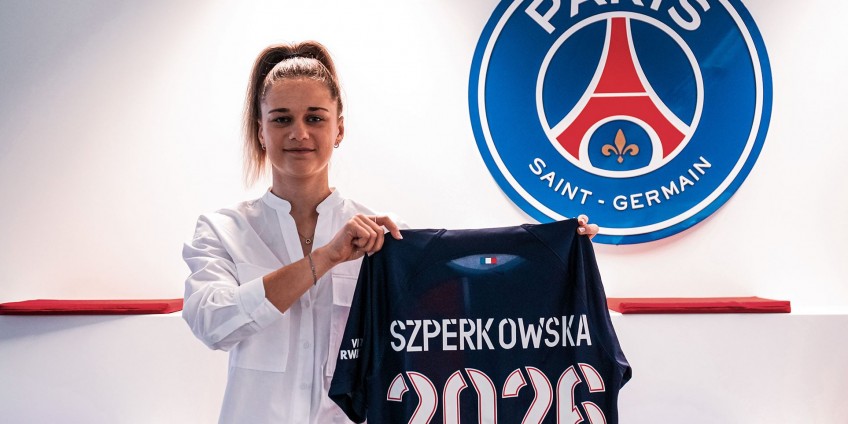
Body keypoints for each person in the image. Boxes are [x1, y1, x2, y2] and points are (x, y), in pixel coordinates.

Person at [181, 40, 599, 424]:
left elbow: (471, 307)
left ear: (338, 129)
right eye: (281, 119)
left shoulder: (384, 242)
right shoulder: (222, 231)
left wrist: (555, 254)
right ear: (261, 130)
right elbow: (213, 322)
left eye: (315, 118)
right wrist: (325, 257)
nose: (299, 133)